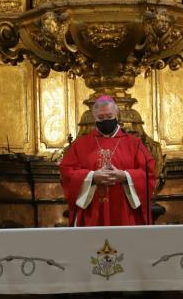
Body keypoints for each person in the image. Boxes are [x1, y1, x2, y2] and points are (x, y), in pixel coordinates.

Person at [59, 96, 156, 226]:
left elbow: (148, 172)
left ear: (117, 115)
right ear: (94, 118)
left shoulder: (134, 143)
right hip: (92, 211)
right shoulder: (80, 144)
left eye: (109, 116)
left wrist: (125, 176)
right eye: (101, 117)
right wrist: (92, 176)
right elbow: (67, 172)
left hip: (124, 210)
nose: (105, 120)